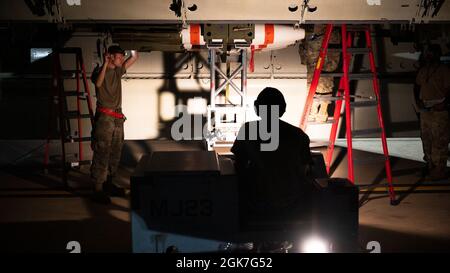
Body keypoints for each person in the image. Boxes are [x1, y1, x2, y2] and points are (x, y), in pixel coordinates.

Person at [231, 87, 314, 223]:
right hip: (291, 204)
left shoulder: (248, 130)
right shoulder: (298, 135)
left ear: (257, 108)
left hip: (257, 204)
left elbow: (239, 166)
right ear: (283, 108)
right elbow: (304, 171)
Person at [90, 45, 139, 204]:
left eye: (122, 57)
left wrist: (134, 46)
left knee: (115, 152)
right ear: (110, 56)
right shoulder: (100, 71)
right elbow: (98, 84)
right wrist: (105, 63)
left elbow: (134, 58)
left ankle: (109, 184)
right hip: (105, 117)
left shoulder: (118, 71)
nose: (122, 59)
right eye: (119, 57)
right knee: (102, 152)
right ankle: (98, 188)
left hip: (117, 117)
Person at [415, 44, 450, 181]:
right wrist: (418, 101)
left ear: (437, 55)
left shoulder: (444, 70)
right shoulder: (423, 70)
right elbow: (416, 85)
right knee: (426, 139)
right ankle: (430, 166)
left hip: (439, 109)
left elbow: (449, 88)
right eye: (427, 53)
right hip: (426, 108)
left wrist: (444, 103)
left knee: (440, 140)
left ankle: (439, 169)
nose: (428, 56)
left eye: (431, 53)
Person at [300, 24, 341, 123]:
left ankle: (323, 109)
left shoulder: (330, 33)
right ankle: (313, 107)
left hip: (325, 41)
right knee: (311, 76)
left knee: (324, 75)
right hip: (312, 43)